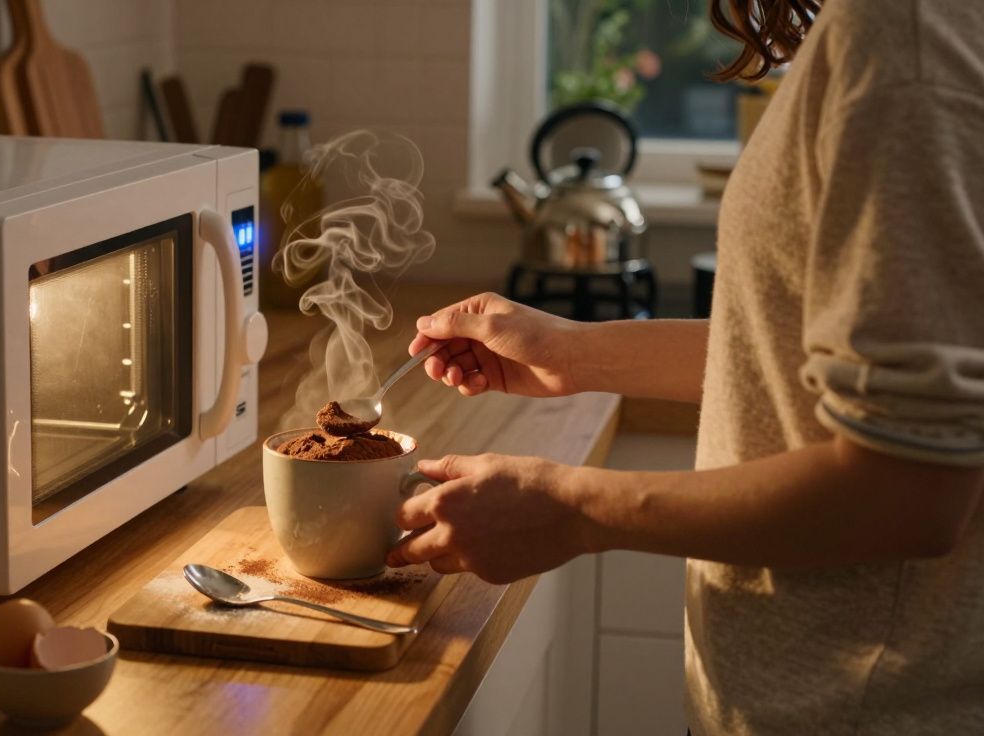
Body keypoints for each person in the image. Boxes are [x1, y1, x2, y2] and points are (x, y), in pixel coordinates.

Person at [385, 0, 984, 732]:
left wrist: (571, 509)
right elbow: (804, 354)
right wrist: (574, 352)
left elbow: (910, 490)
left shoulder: (904, 31)